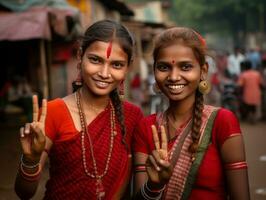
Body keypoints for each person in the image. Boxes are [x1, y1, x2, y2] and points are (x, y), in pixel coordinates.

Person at [14, 19, 144, 199]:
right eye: (95, 60)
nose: (104, 74)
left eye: (116, 65)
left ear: (128, 67)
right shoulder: (53, 111)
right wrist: (30, 160)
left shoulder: (133, 116)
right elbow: (24, 192)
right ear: (80, 56)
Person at [133, 27, 250, 199]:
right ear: (154, 72)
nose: (173, 77)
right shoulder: (146, 128)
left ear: (203, 71)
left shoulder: (222, 122)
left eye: (186, 67)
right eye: (164, 67)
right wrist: (154, 186)